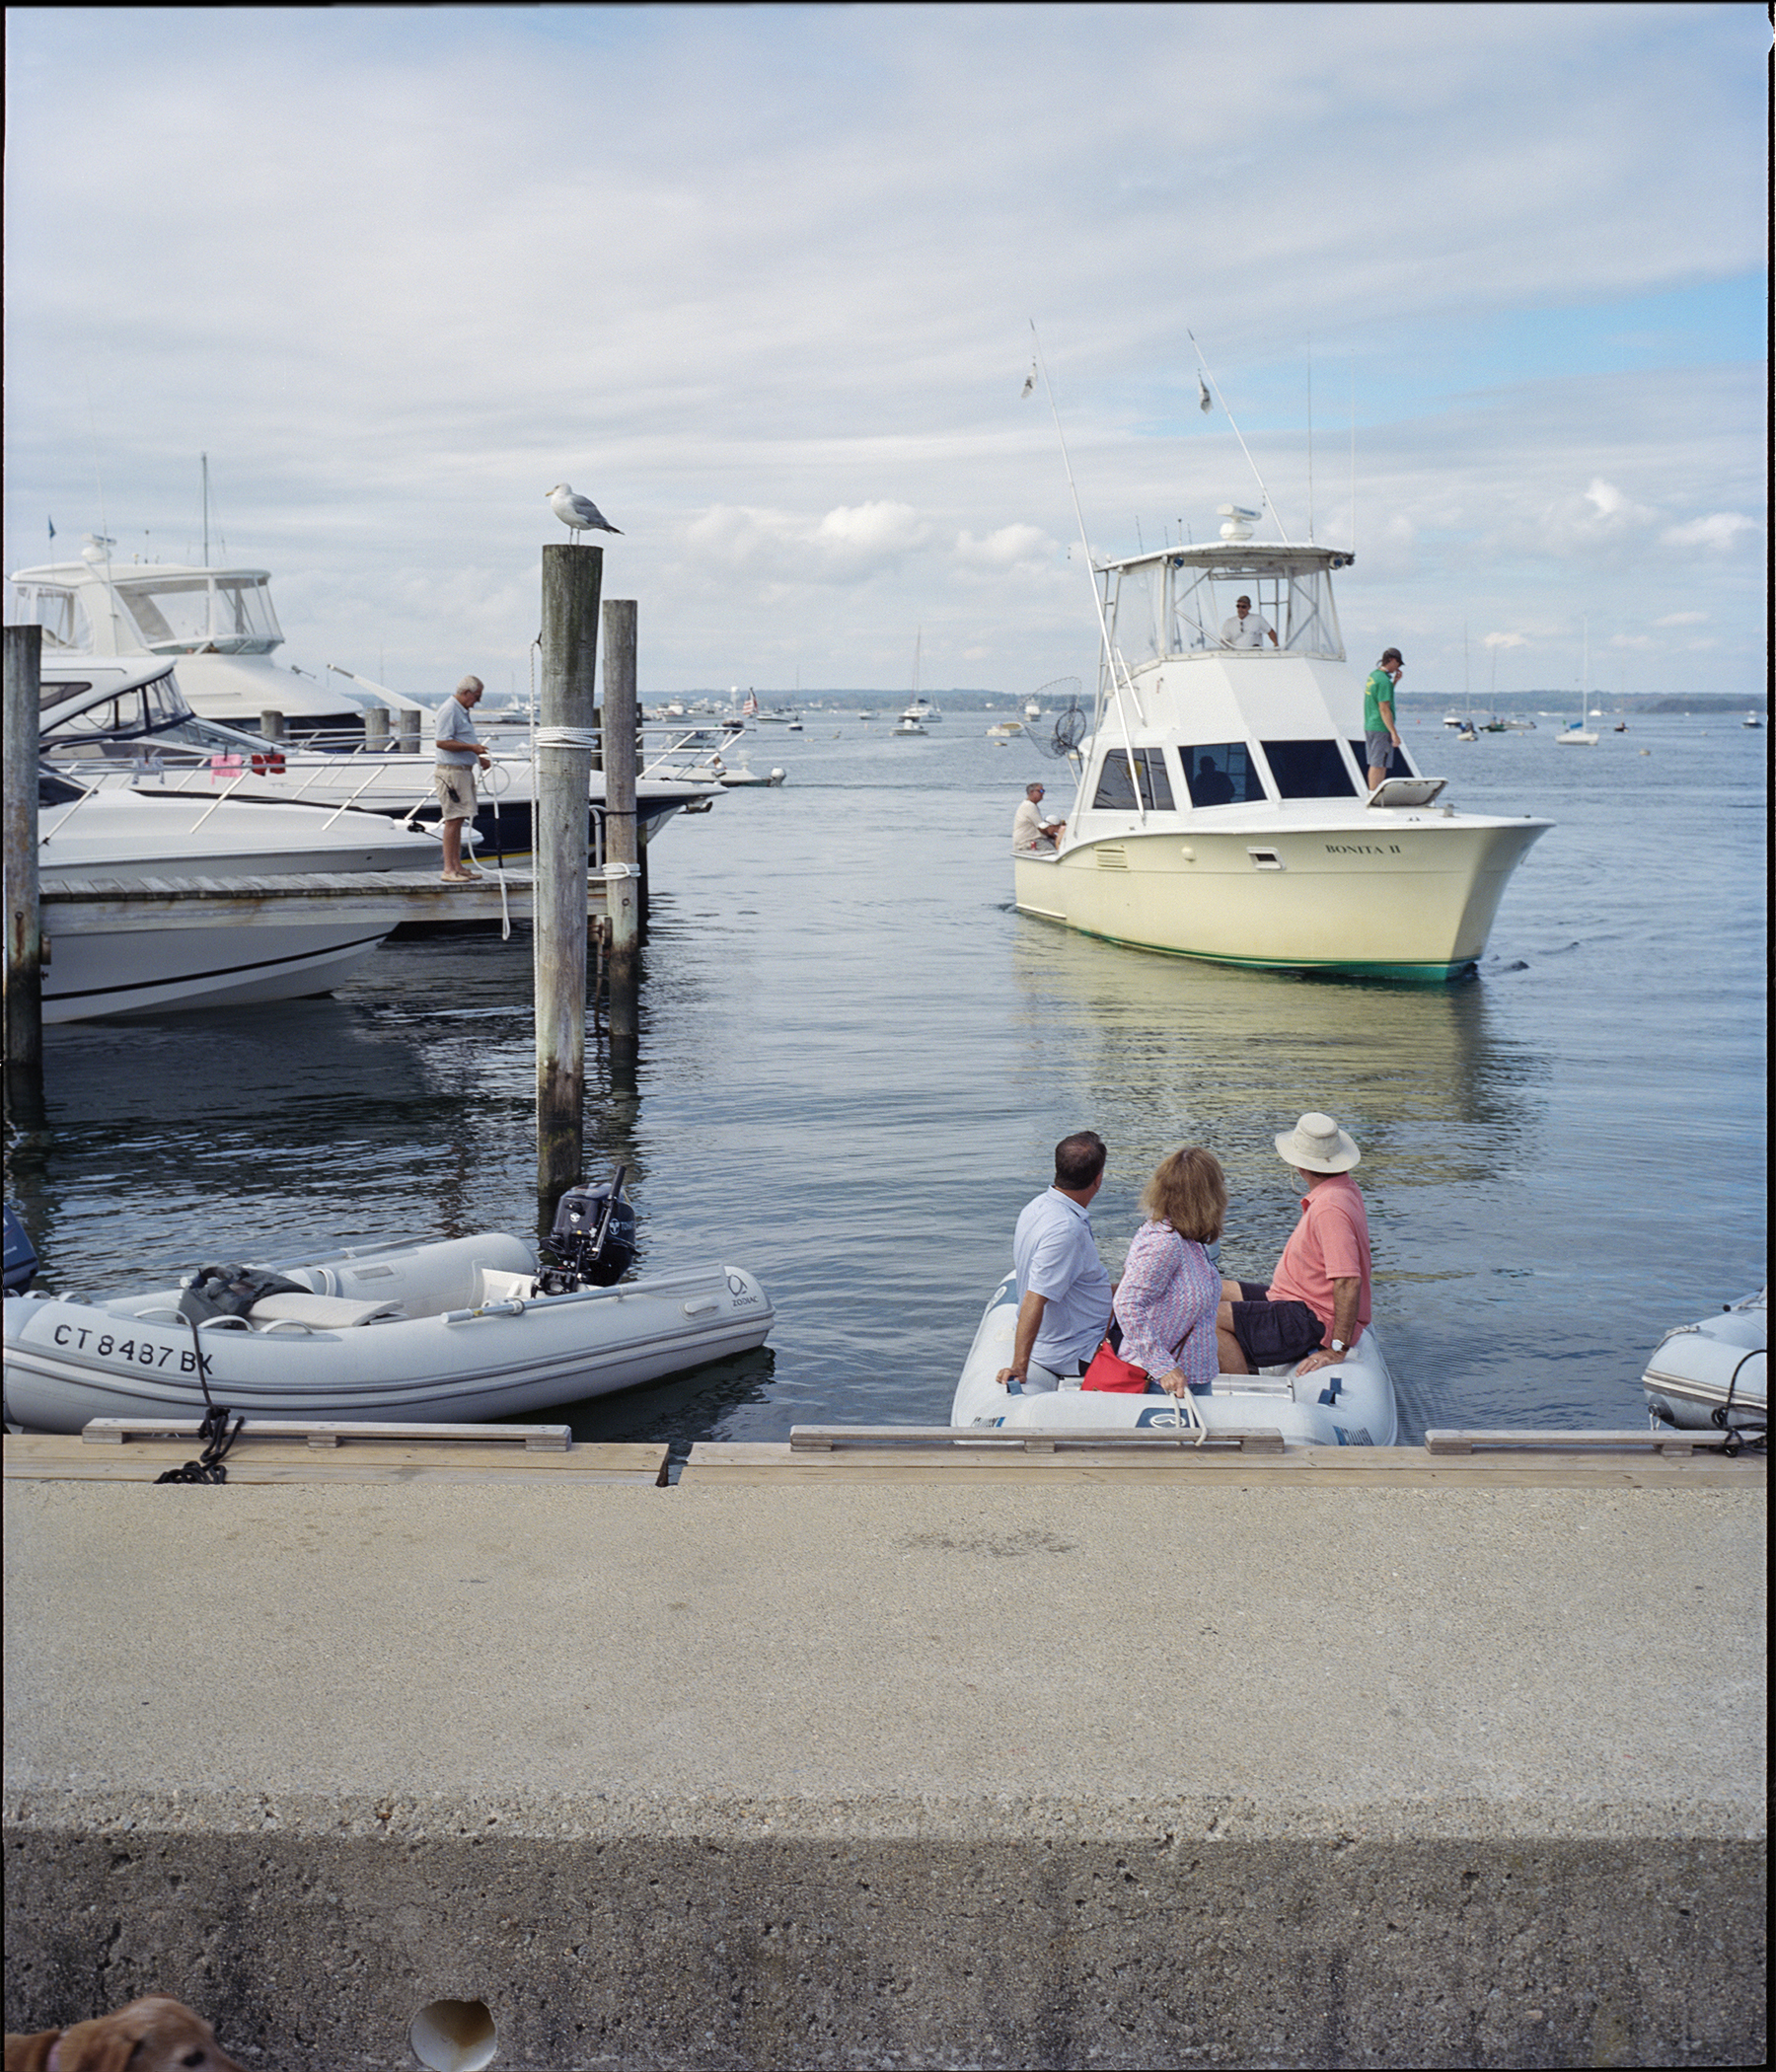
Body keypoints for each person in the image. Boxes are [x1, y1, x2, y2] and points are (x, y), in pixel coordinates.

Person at [1217, 1113, 1371, 1379]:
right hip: (1297, 1302)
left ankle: (1245, 1392)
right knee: (1217, 1289)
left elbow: (1348, 1281)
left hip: (1312, 1319)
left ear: (1299, 1166)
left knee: (1202, 1317)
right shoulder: (1344, 1189)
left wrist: (1337, 1347)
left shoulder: (1330, 1208)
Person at [1102, 1147, 1226, 1397]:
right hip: (1159, 1381)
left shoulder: (1190, 1239)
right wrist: (1163, 1367)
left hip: (1193, 1375)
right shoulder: (1164, 1242)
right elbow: (1126, 1303)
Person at [998, 1132, 1113, 1390]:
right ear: (1098, 1179)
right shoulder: (1066, 1231)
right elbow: (1035, 1297)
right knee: (1201, 1324)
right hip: (1078, 1348)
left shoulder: (1037, 1206)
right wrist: (1019, 1366)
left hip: (1075, 1325)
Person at [434, 675, 491, 881]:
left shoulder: (461, 711)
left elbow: (461, 738)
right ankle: (449, 869)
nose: (477, 701)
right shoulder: (449, 709)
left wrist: (478, 757)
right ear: (466, 693)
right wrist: (472, 748)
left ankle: (457, 866)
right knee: (453, 819)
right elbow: (442, 741)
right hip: (451, 772)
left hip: (462, 770)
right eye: (476, 696)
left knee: (459, 819)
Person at [1365, 649, 1405, 789]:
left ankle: (1374, 793)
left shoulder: (1374, 676)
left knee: (1378, 762)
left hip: (1370, 724)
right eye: (1398, 663)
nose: (1398, 668)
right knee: (1378, 764)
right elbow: (1384, 708)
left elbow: (1381, 695)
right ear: (1392, 660)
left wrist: (1394, 682)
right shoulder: (1384, 681)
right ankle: (1373, 794)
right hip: (1381, 727)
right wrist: (1394, 733)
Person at [1011, 780, 1064, 851]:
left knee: (1061, 844)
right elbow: (1042, 828)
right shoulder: (1029, 806)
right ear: (1032, 792)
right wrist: (1056, 836)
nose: (1043, 793)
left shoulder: (1030, 805)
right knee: (1055, 852)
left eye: (1043, 791)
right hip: (1028, 841)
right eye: (1040, 791)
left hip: (1035, 839)